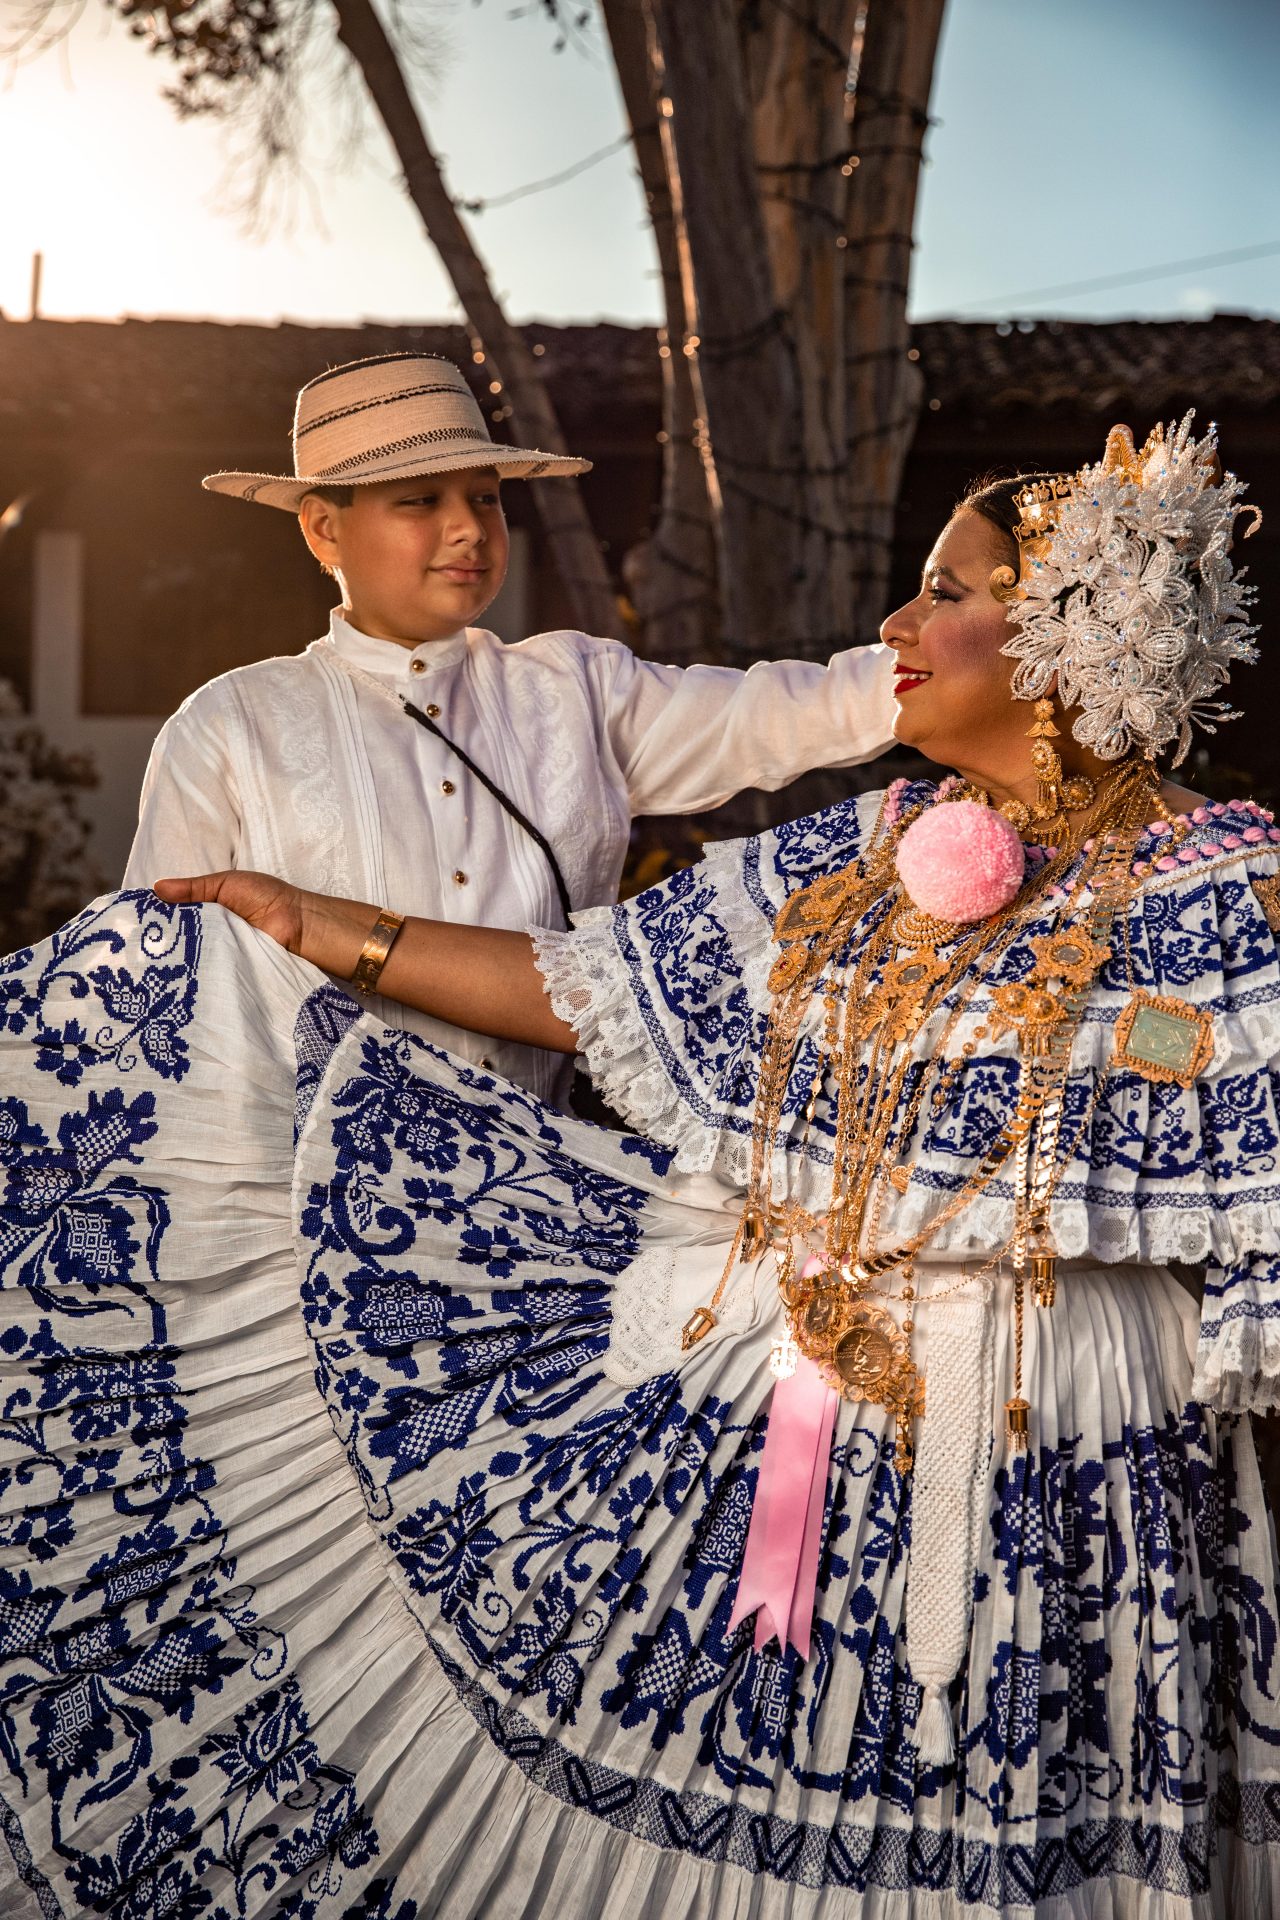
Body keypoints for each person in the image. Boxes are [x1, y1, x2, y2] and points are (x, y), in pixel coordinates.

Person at [5, 414, 1279, 1919]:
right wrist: (311, 925)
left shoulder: (1222, 886)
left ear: (1068, 635)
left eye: (941, 592)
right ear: (323, 529)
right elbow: (585, 982)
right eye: (414, 501)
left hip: (1063, 1419)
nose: (896, 623)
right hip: (797, 1387)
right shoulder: (863, 858)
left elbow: (1230, 1139)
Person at [123, 350, 897, 1104]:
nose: (469, 528)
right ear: (325, 529)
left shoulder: (577, 690)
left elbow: (788, 711)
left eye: (486, 498)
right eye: (420, 500)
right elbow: (156, 998)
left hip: (555, 1172)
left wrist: (959, 656)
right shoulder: (230, 725)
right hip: (294, 1181)